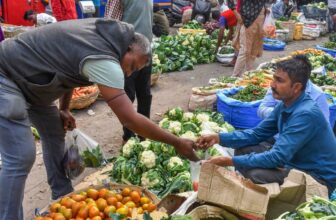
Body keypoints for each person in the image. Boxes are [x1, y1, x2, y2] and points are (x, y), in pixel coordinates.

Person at [0, 18, 198, 220]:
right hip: (6, 75)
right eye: (131, 65)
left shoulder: (106, 38)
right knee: (20, 156)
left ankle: (63, 197)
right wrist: (176, 142)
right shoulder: (104, 57)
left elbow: (69, 69)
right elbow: (129, 119)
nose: (127, 73)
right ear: (128, 48)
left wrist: (65, 108)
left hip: (33, 84)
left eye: (133, 71)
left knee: (54, 131)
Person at [197, 55, 336, 195]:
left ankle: (267, 203)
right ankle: (256, 191)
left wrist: (228, 160)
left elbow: (277, 157)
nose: (272, 85)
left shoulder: (305, 114)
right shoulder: (286, 104)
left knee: (256, 174)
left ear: (296, 87)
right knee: (244, 149)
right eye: (274, 79)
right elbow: (256, 134)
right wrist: (218, 138)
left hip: (318, 179)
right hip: (294, 165)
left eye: (279, 81)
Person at [105, 0, 154, 143]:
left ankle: (144, 133)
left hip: (145, 52)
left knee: (145, 94)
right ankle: (129, 136)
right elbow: (110, 24)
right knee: (127, 96)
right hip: (128, 55)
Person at [258, 80, 330, 122]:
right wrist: (280, 113)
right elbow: (261, 110)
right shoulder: (277, 87)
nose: (273, 84)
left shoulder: (317, 95)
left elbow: (323, 124)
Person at [227, 0, 267, 77]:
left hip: (260, 15)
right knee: (245, 50)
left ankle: (249, 75)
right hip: (247, 17)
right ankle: (234, 77)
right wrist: (236, 14)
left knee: (253, 49)